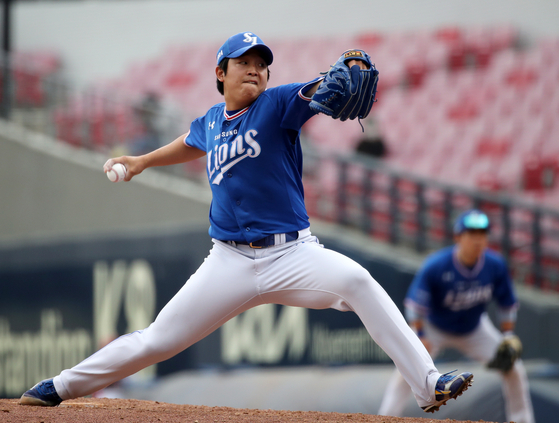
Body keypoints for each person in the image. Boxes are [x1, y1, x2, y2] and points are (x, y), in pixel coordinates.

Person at [19, 31, 473, 413]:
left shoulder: (277, 103)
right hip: (228, 262)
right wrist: (141, 161)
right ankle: (60, 386)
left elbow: (313, 91)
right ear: (221, 73)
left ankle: (427, 384)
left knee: (358, 281)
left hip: (293, 254)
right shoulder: (211, 121)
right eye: (244, 62)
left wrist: (334, 77)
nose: (255, 69)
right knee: (156, 340)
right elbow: (190, 141)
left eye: (261, 64)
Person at [378, 209, 535, 423]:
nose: (477, 239)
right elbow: (414, 306)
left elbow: (507, 305)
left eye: (482, 234)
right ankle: (384, 418)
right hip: (434, 327)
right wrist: (420, 334)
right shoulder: (437, 265)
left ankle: (523, 420)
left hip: (475, 329)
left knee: (513, 367)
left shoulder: (495, 265)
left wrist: (507, 335)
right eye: (471, 233)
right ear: (458, 237)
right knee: (406, 369)